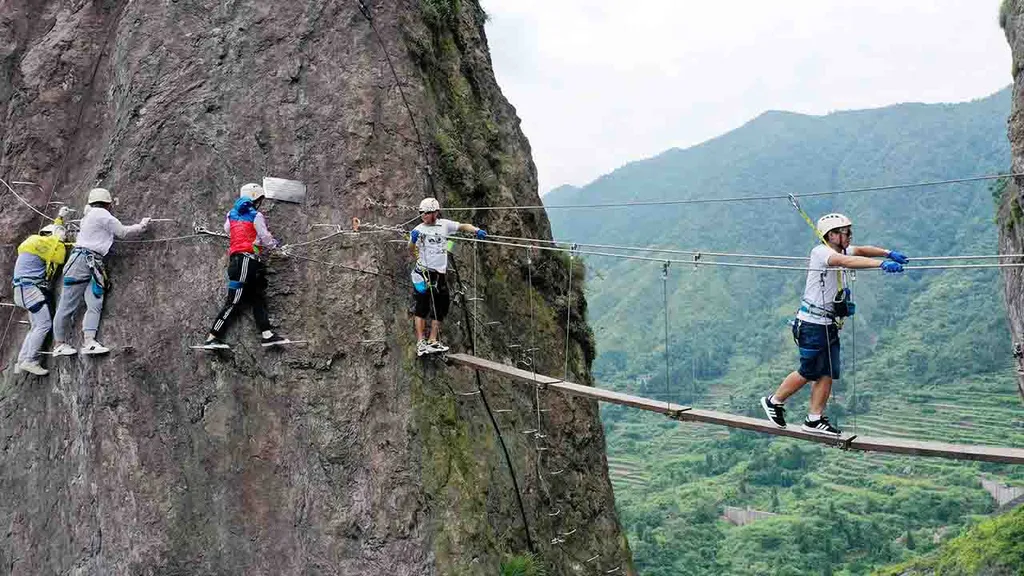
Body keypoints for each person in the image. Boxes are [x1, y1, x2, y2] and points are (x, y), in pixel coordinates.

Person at [760, 213, 908, 436]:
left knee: (828, 371)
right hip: (811, 324)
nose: (850, 236)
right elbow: (847, 262)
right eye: (845, 232)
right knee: (809, 371)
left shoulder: (842, 249)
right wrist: (882, 265)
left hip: (828, 324)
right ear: (832, 235)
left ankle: (814, 419)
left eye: (850, 231)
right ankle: (774, 400)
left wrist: (888, 253)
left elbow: (862, 250)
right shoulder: (821, 253)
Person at [51, 188, 151, 356]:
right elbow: (123, 232)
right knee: (68, 304)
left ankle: (89, 341)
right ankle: (59, 344)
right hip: (83, 261)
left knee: (94, 302)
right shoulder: (101, 214)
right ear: (108, 203)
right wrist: (142, 226)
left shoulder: (90, 215)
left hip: (91, 262)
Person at [201, 183, 288, 349]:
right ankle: (212, 337)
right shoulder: (256, 216)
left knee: (257, 297)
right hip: (246, 261)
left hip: (240, 261)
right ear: (255, 197)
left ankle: (267, 334)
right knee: (234, 300)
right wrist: (276, 246)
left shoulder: (231, 214)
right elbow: (265, 237)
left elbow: (228, 230)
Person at [409, 197, 487, 356]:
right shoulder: (419, 229)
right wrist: (413, 240)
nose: (423, 216)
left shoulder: (444, 225)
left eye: (426, 213)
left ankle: (433, 341)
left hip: (440, 274)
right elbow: (411, 250)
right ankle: (420, 343)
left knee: (441, 307)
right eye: (421, 213)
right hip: (424, 273)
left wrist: (476, 230)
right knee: (422, 307)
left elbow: (462, 226)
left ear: (435, 213)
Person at [11, 209, 72, 375]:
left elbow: (52, 245)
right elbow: (58, 256)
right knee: (44, 324)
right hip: (29, 289)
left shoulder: (35, 243)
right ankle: (30, 360)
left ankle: (22, 360)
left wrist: (60, 219)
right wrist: (60, 238)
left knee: (36, 326)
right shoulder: (37, 242)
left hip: (24, 290)